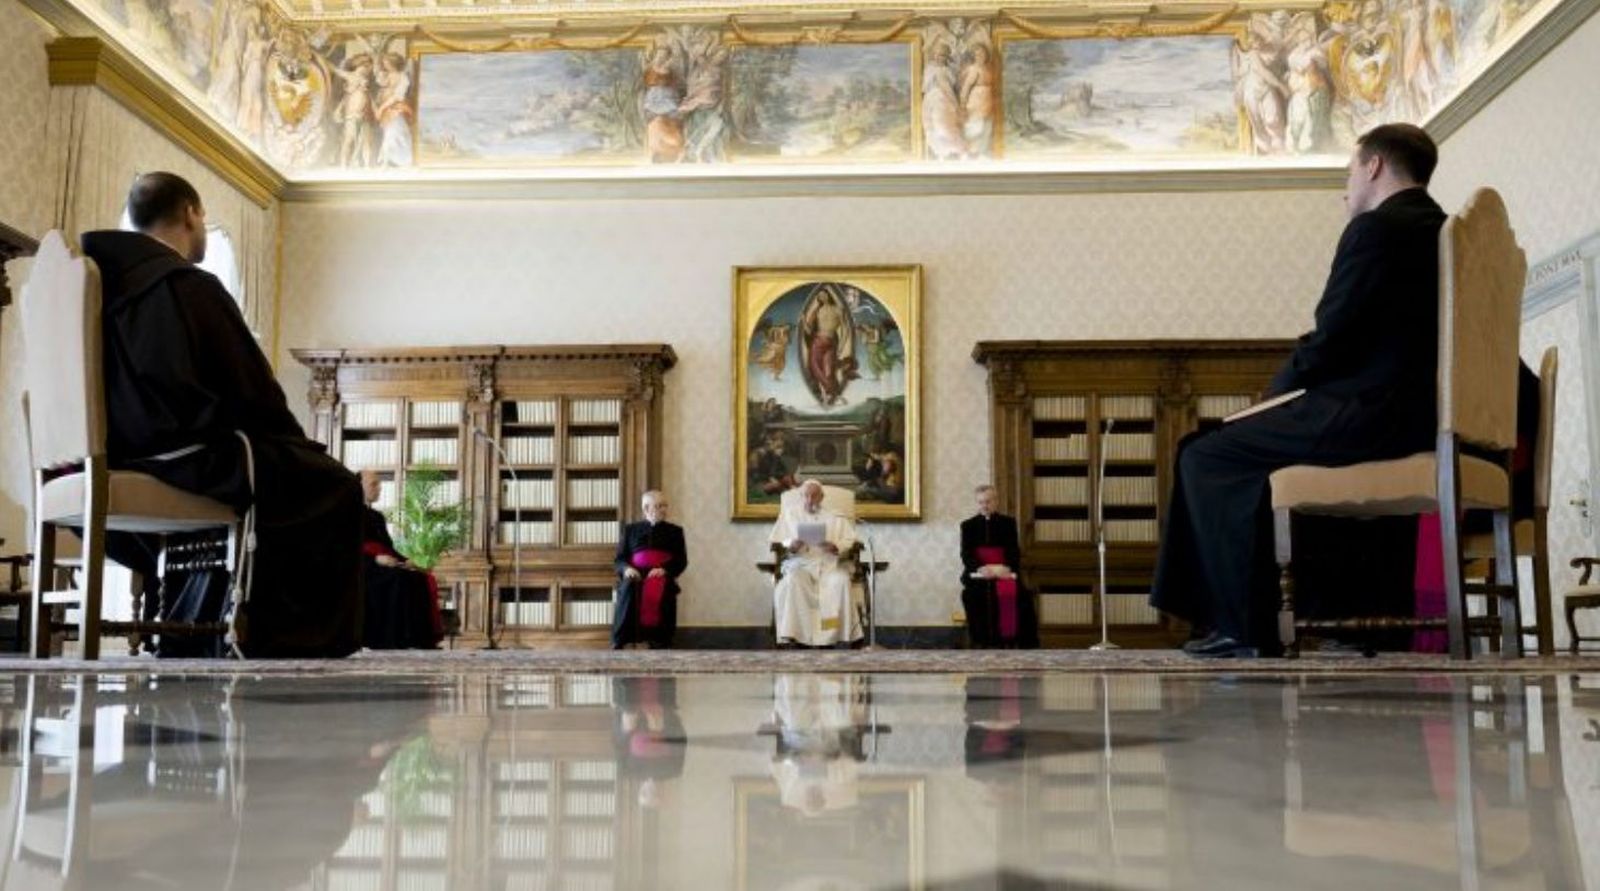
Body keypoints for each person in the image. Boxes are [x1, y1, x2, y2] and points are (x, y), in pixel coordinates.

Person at [1150, 124, 1447, 659]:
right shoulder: (1446, 231)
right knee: (1244, 453)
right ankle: (1351, 623)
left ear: (1374, 166)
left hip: (1370, 416)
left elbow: (1331, 339)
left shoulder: (1376, 230)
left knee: (1203, 453)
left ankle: (1241, 625)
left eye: (1348, 172)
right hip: (1423, 417)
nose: (1345, 188)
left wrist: (1268, 401)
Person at [83, 171, 365, 657]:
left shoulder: (95, 284)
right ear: (192, 215)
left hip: (117, 458)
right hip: (186, 457)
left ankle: (194, 621)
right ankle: (289, 641)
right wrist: (297, 443)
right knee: (335, 484)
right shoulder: (187, 286)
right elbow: (250, 391)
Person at [770, 480, 862, 647]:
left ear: (822, 497)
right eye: (806, 495)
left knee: (840, 581)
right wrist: (791, 544)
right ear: (800, 496)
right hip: (800, 564)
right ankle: (796, 635)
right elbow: (779, 540)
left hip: (828, 565)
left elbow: (849, 539)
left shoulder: (835, 516)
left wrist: (836, 546)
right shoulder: (790, 514)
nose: (810, 499)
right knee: (793, 581)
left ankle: (834, 635)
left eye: (814, 495)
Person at [359, 469, 442, 650]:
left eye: (379, 484)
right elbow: (346, 547)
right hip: (362, 566)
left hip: (384, 562)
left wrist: (406, 560)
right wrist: (376, 560)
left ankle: (416, 640)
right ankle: (390, 640)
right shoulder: (347, 514)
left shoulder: (378, 517)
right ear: (359, 486)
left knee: (418, 578)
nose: (379, 488)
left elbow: (388, 547)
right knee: (398, 579)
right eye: (374, 484)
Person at [960, 485, 1039, 648]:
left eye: (988, 501)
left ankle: (1009, 640)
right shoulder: (967, 526)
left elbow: (1013, 551)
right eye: (980, 502)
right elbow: (966, 554)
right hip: (978, 575)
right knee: (972, 596)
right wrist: (981, 568)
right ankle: (980, 641)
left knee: (1022, 599)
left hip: (1005, 572)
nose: (984, 505)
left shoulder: (1008, 523)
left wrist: (1007, 567)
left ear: (996, 501)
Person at [611, 490, 688, 650]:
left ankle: (659, 641)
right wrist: (626, 569)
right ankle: (622, 639)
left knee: (662, 587)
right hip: (635, 574)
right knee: (628, 587)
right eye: (659, 506)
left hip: (661, 574)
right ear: (646, 509)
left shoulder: (676, 531)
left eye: (665, 505)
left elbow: (681, 561)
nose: (663, 509)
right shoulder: (630, 530)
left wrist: (664, 570)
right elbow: (619, 559)